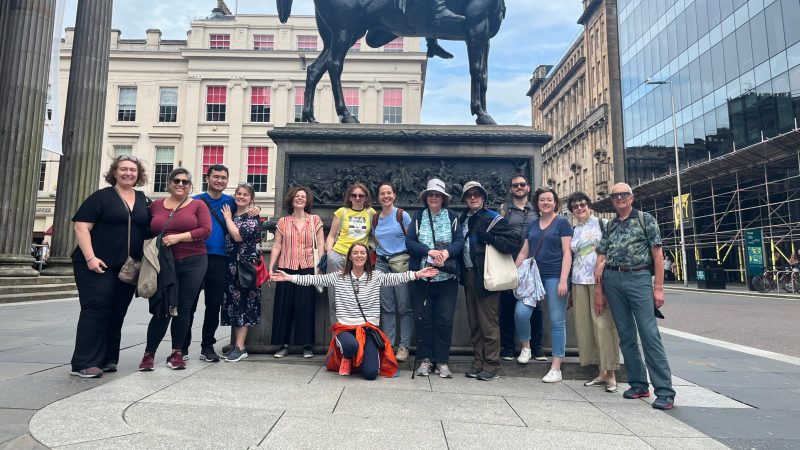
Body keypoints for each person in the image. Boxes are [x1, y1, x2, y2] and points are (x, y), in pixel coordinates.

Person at [271, 243, 439, 380]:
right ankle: (346, 356)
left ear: (367, 257)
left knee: (371, 374)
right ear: (350, 257)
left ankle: (358, 359)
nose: (359, 256)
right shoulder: (338, 276)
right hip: (345, 328)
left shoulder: (376, 276)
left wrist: (417, 274)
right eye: (355, 253)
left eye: (362, 253)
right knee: (351, 345)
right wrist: (290, 277)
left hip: (368, 329)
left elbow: (397, 277)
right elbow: (315, 279)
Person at [595, 182, 675, 410]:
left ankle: (665, 391)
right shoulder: (610, 225)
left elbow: (658, 255)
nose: (619, 198)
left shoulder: (645, 219)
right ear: (612, 200)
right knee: (626, 334)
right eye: (615, 195)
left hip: (638, 278)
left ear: (632, 197)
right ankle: (639, 384)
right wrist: (600, 287)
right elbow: (601, 255)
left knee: (649, 334)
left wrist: (658, 288)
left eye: (624, 194)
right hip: (613, 279)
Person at [69, 155, 150, 377]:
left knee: (117, 312)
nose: (128, 173)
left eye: (133, 170)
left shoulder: (143, 199)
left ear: (138, 174)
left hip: (127, 268)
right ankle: (83, 363)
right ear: (114, 172)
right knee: (96, 309)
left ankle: (107, 359)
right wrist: (90, 258)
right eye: (123, 169)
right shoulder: (101, 197)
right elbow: (81, 227)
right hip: (97, 265)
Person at [184, 164, 259, 362]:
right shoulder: (196, 201)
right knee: (188, 304)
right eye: (216, 176)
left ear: (227, 181)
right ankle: (181, 347)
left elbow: (246, 209)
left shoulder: (230, 202)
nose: (219, 180)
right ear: (207, 178)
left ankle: (207, 347)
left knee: (213, 304)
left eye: (223, 177)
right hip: (196, 256)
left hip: (220, 259)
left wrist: (256, 209)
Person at [139, 168, 211, 371]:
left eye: (185, 182)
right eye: (177, 181)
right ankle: (148, 354)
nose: (181, 185)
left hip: (193, 260)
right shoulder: (155, 205)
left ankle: (177, 353)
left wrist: (178, 237)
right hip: (163, 261)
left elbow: (205, 230)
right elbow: (145, 229)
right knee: (161, 307)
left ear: (190, 186)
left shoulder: (198, 205)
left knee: (183, 307)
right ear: (169, 183)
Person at [459, 181, 521, 381]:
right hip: (469, 274)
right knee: (474, 322)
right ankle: (479, 362)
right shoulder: (462, 220)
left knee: (488, 322)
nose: (473, 198)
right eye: (469, 195)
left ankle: (492, 365)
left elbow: (513, 243)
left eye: (476, 194)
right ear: (465, 199)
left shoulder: (493, 218)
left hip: (487, 275)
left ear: (483, 197)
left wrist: (491, 239)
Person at [406, 178, 465, 378]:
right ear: (426, 197)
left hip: (446, 278)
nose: (433, 197)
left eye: (437, 195)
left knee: (444, 319)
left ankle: (442, 360)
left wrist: (447, 253)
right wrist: (428, 251)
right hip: (422, 277)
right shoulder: (418, 217)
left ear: (443, 198)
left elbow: (459, 241)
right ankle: (425, 359)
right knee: (423, 319)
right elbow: (409, 242)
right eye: (430, 194)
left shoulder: (452, 216)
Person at [514, 186, 573, 383]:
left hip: (555, 276)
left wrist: (564, 279)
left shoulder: (562, 223)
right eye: (541, 200)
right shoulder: (532, 225)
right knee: (521, 313)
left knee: (557, 321)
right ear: (536, 203)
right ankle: (526, 347)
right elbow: (524, 251)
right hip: (533, 277)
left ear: (555, 202)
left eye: (549, 199)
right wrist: (514, 273)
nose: (545, 203)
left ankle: (556, 367)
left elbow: (567, 253)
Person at [567, 191, 620, 393]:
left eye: (583, 204)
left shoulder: (602, 224)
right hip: (578, 280)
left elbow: (613, 249)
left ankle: (612, 373)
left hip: (599, 281)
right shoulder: (575, 230)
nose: (580, 208)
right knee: (587, 327)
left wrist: (603, 265)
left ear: (589, 206)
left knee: (604, 326)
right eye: (575, 206)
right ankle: (601, 372)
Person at [268, 186, 324, 359]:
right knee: (284, 307)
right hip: (286, 266)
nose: (300, 198)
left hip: (307, 267)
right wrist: (271, 267)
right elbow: (277, 245)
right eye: (297, 196)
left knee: (305, 306)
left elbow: (321, 244)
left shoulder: (315, 220)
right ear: (291, 199)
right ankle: (283, 344)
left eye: (303, 196)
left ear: (307, 201)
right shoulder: (284, 222)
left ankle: (307, 345)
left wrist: (320, 264)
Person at [497, 174, 545, 363]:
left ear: (528, 187)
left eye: (522, 184)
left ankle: (538, 347)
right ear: (510, 189)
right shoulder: (504, 209)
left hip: (532, 263)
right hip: (509, 260)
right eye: (515, 185)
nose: (519, 187)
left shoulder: (537, 209)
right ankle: (508, 347)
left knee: (536, 307)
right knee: (507, 304)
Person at [220, 183, 263, 362]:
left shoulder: (252, 217)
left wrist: (228, 219)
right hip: (230, 265)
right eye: (239, 193)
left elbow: (238, 236)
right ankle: (237, 346)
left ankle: (240, 346)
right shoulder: (232, 211)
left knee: (244, 305)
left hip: (244, 267)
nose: (241, 197)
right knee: (234, 305)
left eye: (246, 194)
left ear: (251, 198)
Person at [373, 182, 414, 362]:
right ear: (378, 197)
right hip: (381, 266)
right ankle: (388, 344)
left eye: (389, 193)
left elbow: (411, 239)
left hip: (401, 264)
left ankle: (404, 346)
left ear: (394, 195)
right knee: (387, 308)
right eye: (382, 193)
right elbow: (375, 241)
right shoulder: (375, 218)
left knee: (404, 308)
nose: (386, 196)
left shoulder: (401, 215)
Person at [325, 183, 376, 326]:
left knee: (359, 298)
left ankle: (357, 335)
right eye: (354, 195)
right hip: (339, 257)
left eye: (361, 195)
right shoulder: (342, 212)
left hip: (359, 260)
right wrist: (330, 254)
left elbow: (376, 235)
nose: (358, 198)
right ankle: (337, 337)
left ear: (366, 198)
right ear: (350, 197)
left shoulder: (371, 213)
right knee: (336, 298)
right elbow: (330, 236)